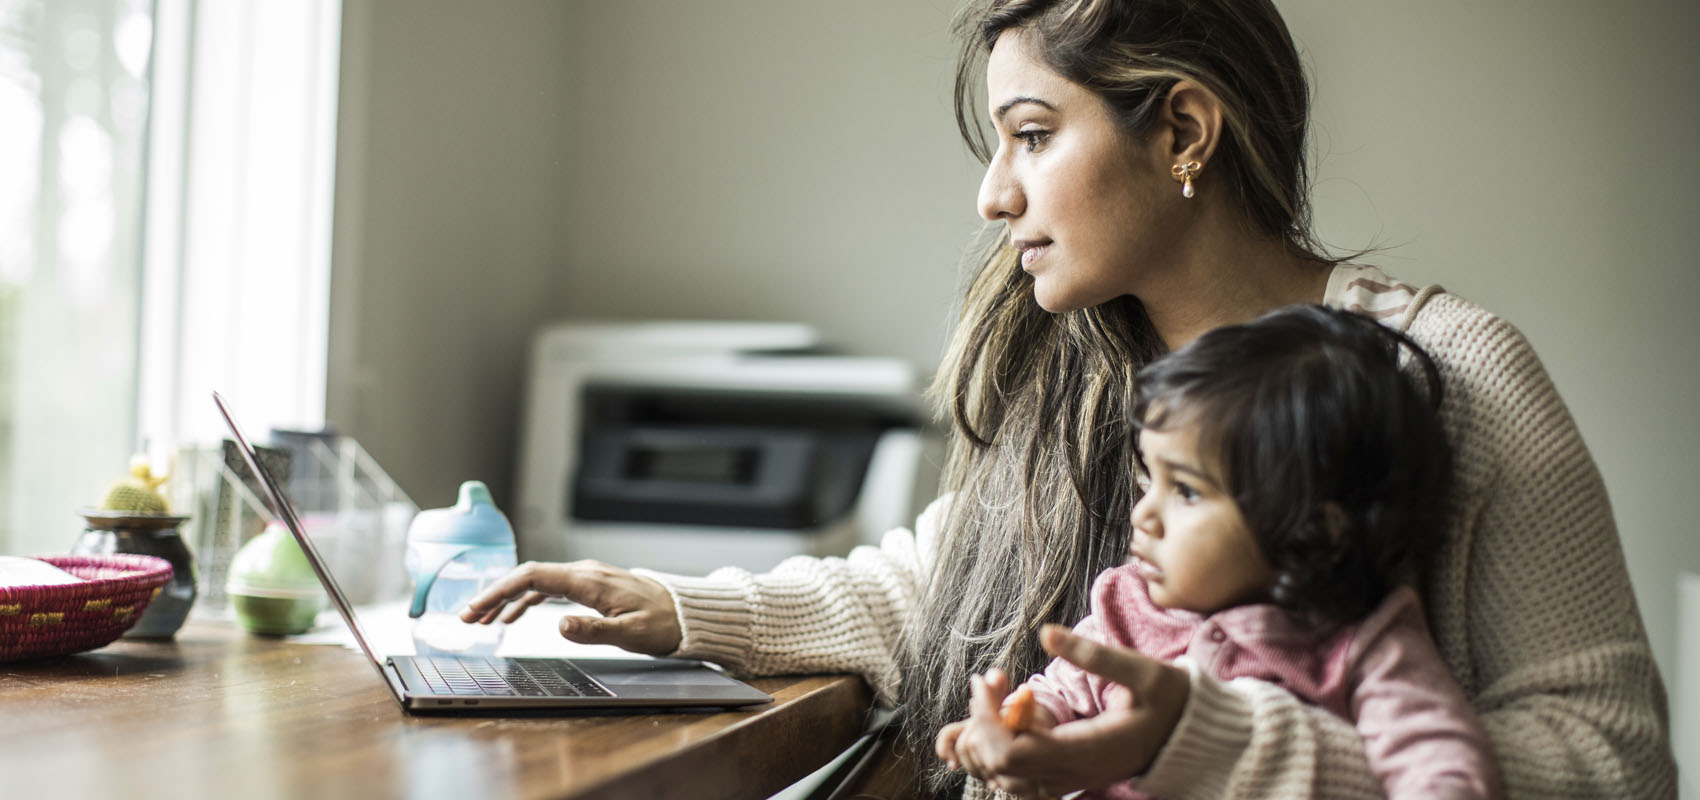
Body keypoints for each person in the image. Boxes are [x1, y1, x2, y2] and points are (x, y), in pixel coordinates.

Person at [463, 0, 1677, 797]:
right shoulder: (1067, 367)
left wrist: (1205, 745)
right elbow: (936, 593)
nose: (992, 194)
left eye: (1031, 135)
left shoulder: (1449, 374)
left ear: (1185, 133)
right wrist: (673, 608)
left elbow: (1610, 761)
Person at [935, 304, 1502, 799]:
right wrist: (1020, 723)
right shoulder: (1128, 605)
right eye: (1145, 480)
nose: (1143, 514)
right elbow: (1058, 691)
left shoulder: (1365, 643)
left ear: (1315, 529)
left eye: (1185, 490)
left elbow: (1443, 768)